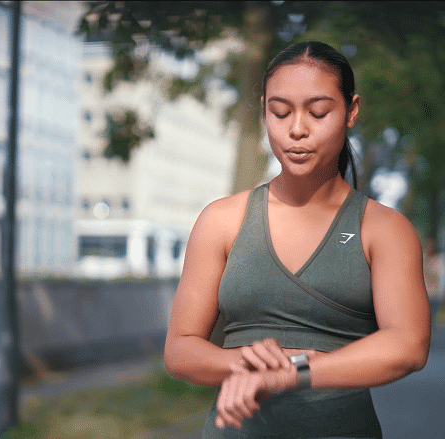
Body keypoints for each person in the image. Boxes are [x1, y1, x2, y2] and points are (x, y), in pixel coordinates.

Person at [164, 41, 431, 438]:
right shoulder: (222, 220)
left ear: (351, 111)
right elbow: (180, 349)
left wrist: (291, 373)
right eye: (280, 111)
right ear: (263, 110)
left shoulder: (384, 229)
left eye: (318, 111)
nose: (297, 129)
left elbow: (408, 345)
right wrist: (244, 363)